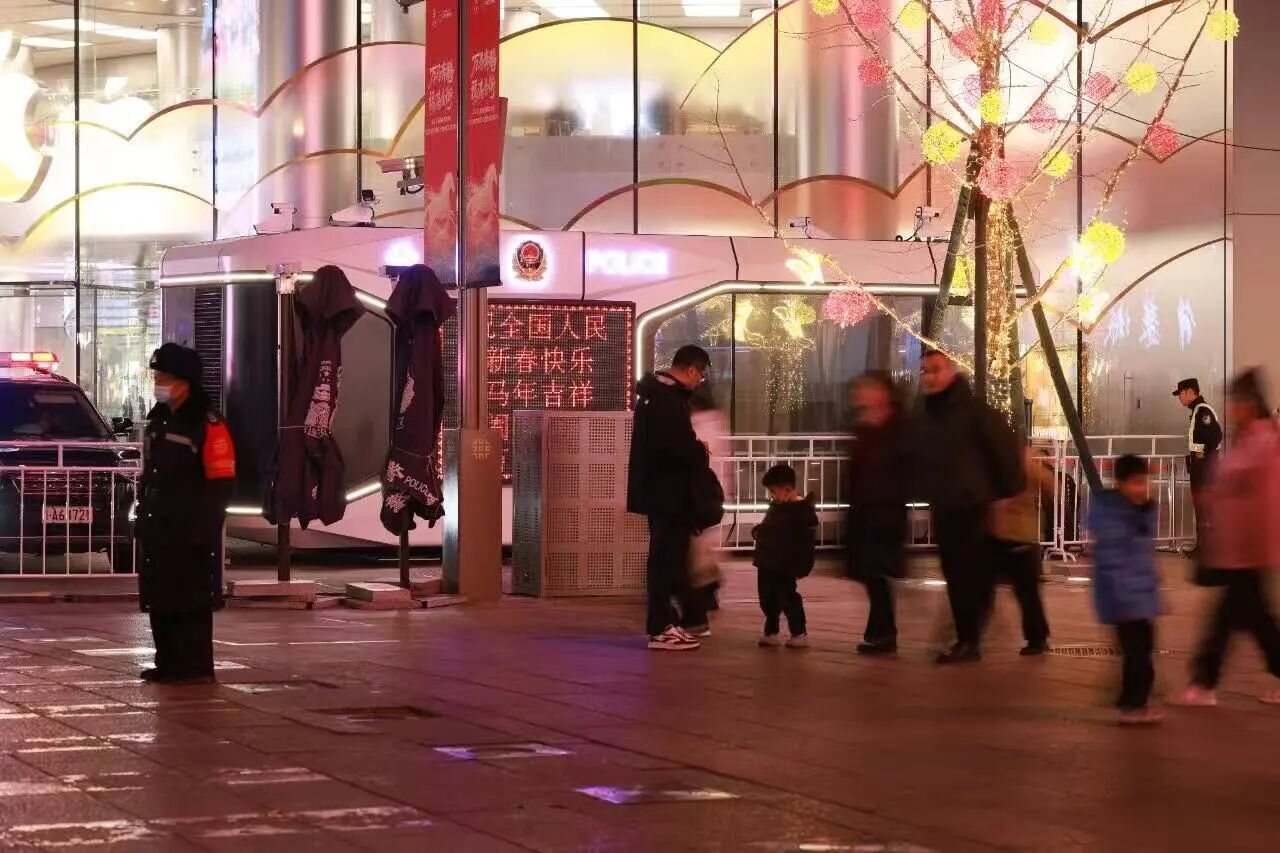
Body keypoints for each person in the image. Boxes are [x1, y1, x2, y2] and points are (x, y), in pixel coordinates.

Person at [914, 349, 1024, 664]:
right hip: (948, 505)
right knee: (957, 574)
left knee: (968, 574)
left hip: (973, 506)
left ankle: (969, 638)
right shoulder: (929, 414)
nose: (929, 377)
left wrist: (1002, 498)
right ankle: (968, 636)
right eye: (925, 371)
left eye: (935, 369)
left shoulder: (973, 412)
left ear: (951, 371)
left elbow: (1004, 453)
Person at [1179, 369, 1280, 707]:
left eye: (1235, 401)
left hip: (1247, 552)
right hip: (1239, 551)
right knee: (1253, 619)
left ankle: (1203, 682)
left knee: (1234, 619)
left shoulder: (1262, 442)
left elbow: (1265, 501)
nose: (1231, 408)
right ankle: (1203, 682)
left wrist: (1258, 547)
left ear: (1249, 403)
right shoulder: (1250, 438)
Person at [136, 343, 236, 685]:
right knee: (161, 596)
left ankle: (195, 668)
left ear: (184, 382)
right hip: (159, 526)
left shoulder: (207, 424)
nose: (158, 383)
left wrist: (204, 528)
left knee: (190, 599)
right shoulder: (158, 420)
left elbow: (221, 482)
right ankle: (168, 663)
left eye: (163, 377)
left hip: (190, 529)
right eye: (156, 376)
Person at [627, 344, 713, 651]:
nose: (699, 382)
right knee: (665, 561)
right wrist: (699, 451)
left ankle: (668, 621)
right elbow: (674, 447)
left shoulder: (654, 394)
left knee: (668, 559)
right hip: (669, 494)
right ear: (690, 369)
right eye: (701, 375)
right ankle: (661, 627)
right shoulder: (668, 399)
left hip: (659, 492)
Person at [1088, 455, 1164, 725]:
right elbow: (1112, 559)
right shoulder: (1113, 515)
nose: (1142, 488)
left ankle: (1130, 700)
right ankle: (1134, 706)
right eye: (1136, 482)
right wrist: (1123, 594)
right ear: (1120, 484)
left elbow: (1142, 552)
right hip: (1124, 598)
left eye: (1145, 482)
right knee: (1137, 654)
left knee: (1143, 649)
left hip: (1139, 595)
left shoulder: (1138, 510)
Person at [847, 372, 909, 655]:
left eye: (868, 389)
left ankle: (883, 634)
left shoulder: (897, 426)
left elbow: (902, 466)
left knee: (877, 573)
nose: (861, 394)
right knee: (872, 573)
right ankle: (880, 632)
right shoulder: (864, 425)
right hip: (865, 509)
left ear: (883, 393)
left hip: (886, 511)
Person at [988, 447, 1053, 655]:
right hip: (1003, 535)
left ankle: (1037, 637)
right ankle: (1036, 636)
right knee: (1024, 591)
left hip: (1018, 536)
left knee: (1026, 591)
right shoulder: (1008, 461)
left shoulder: (1021, 462)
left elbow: (1050, 483)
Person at [754, 464, 818, 648]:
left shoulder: (801, 512)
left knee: (787, 597)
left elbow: (806, 544)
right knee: (767, 598)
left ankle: (798, 632)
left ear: (788, 490)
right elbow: (769, 528)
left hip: (785, 564)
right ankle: (771, 631)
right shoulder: (777, 507)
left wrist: (803, 565)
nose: (772, 496)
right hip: (767, 561)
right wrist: (759, 532)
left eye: (773, 492)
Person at [687, 388, 730, 628]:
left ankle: (697, 612)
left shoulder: (695, 427)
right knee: (703, 553)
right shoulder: (717, 424)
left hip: (697, 498)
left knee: (694, 556)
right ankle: (708, 594)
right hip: (712, 496)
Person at [1173, 377, 1222, 551]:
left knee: (1204, 508)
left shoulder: (1202, 411)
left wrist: (1204, 459)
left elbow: (1216, 437)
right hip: (1199, 466)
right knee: (1201, 508)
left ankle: (1207, 549)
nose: (1179, 398)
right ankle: (1203, 547)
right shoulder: (1197, 410)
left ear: (1189, 391)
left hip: (1203, 468)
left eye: (1180, 394)